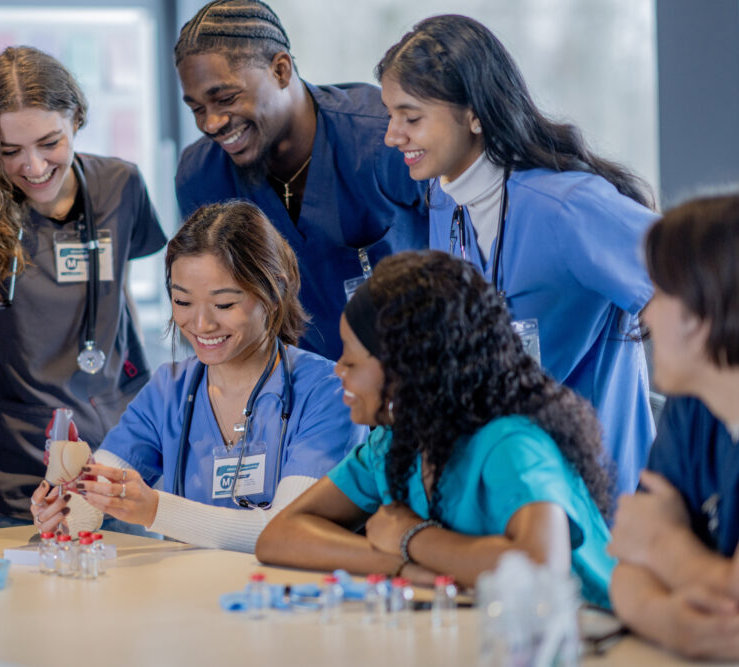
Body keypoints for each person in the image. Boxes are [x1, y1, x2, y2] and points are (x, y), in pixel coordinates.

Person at [376, 14, 657, 497]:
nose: (391, 136)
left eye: (411, 117)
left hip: (602, 491)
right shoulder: (445, 200)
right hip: (511, 483)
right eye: (390, 115)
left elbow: (695, 291)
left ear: (474, 113)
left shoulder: (568, 207)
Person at [256, 251, 615, 608]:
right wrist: (399, 564)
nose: (339, 371)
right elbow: (279, 536)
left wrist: (411, 537)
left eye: (351, 358)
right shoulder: (394, 441)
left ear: (407, 367)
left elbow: (541, 568)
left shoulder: (511, 442)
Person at [0, 46, 166, 528]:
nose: (33, 167)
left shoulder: (121, 186)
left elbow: (121, 305)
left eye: (49, 143)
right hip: (20, 472)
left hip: (122, 462)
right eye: (10, 151)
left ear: (76, 118)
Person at [33, 200, 366, 552]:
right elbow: (100, 490)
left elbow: (290, 531)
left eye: (224, 305)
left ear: (275, 291)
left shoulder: (329, 392)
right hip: (190, 598)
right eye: (183, 302)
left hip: (291, 599)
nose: (202, 324)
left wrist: (156, 510)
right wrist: (65, 507)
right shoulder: (169, 390)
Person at [173, 0, 427, 361]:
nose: (211, 123)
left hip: (416, 374)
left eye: (226, 99)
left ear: (280, 70)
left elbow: (471, 250)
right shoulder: (201, 176)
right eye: (197, 109)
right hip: (297, 394)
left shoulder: (383, 137)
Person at [609, 194, 739, 660]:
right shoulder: (695, 405)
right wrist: (675, 625)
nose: (645, 315)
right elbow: (626, 566)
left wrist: (664, 544)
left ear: (701, 315)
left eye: (661, 294)